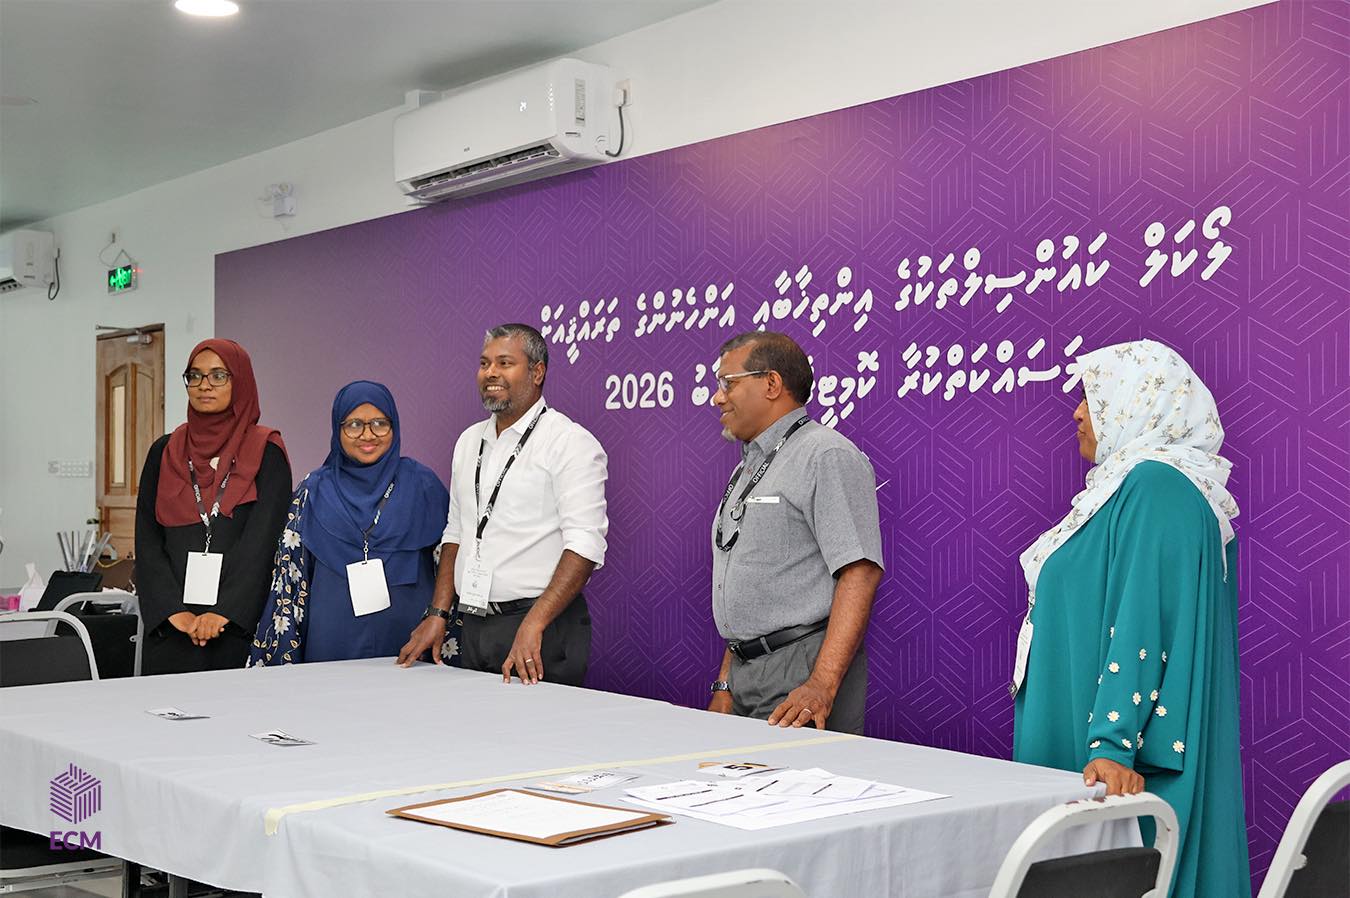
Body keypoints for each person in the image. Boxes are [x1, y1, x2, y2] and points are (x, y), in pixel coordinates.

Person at [1011, 339, 1250, 898]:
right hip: (1081, 731)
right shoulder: (1131, 490)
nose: (1077, 413)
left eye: (1092, 397)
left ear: (1139, 401)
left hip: (1112, 762)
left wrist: (1111, 746)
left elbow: (1147, 622)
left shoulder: (1157, 486)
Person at [397, 324, 607, 686]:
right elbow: (456, 531)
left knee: (536, 725)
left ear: (537, 372)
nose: (490, 373)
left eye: (505, 363)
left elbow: (584, 545)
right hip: (474, 622)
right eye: (484, 363)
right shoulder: (468, 441)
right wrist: (438, 613)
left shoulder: (569, 442)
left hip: (541, 628)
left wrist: (534, 623)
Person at [706, 331, 883, 734]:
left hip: (801, 671)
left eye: (727, 383)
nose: (717, 398)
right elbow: (750, 583)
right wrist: (725, 682)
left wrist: (822, 683)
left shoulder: (826, 455)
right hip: (744, 672)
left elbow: (860, 572)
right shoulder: (748, 467)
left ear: (771, 383)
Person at [250, 381, 452, 665]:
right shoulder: (314, 490)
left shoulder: (423, 485)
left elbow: (448, 562)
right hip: (333, 643)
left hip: (411, 642)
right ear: (338, 428)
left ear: (394, 427)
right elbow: (289, 580)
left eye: (379, 424)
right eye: (354, 425)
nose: (367, 435)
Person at [135, 338, 291, 674]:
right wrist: (171, 610)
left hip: (238, 627)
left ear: (241, 381)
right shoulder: (164, 451)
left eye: (219, 376)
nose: (204, 385)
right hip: (172, 627)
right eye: (195, 375)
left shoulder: (266, 452)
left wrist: (225, 611)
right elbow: (147, 539)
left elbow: (263, 542)